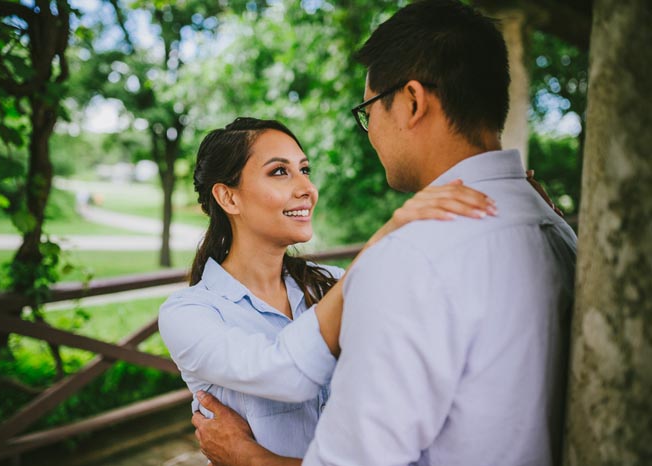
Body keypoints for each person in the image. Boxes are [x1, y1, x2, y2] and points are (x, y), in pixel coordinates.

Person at [191, 1, 578, 466]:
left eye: (368, 109)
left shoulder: (412, 260)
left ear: (412, 101)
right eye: (279, 172)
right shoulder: (557, 229)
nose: (370, 130)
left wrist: (243, 456)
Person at [158, 117, 496, 458]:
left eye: (305, 170)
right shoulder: (189, 314)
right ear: (228, 198)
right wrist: (385, 236)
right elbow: (285, 374)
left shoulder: (331, 282)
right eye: (279, 172)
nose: (307, 188)